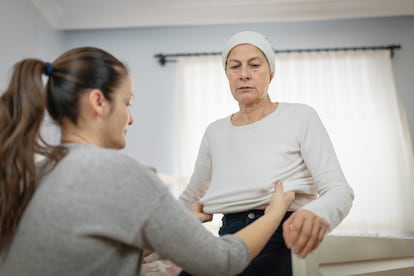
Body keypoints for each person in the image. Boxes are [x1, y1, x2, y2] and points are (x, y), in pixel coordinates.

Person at [0, 46, 295, 276]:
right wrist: (275, 212)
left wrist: (168, 227)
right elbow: (222, 261)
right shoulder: (121, 173)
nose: (131, 117)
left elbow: (82, 251)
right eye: (127, 102)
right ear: (98, 102)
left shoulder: (32, 172)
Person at [178, 31, 355, 275]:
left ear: (270, 73)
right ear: (227, 75)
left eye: (254, 65)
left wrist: (317, 213)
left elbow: (339, 189)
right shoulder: (215, 132)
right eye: (234, 67)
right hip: (229, 240)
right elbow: (190, 199)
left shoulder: (300, 117)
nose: (244, 75)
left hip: (283, 239)